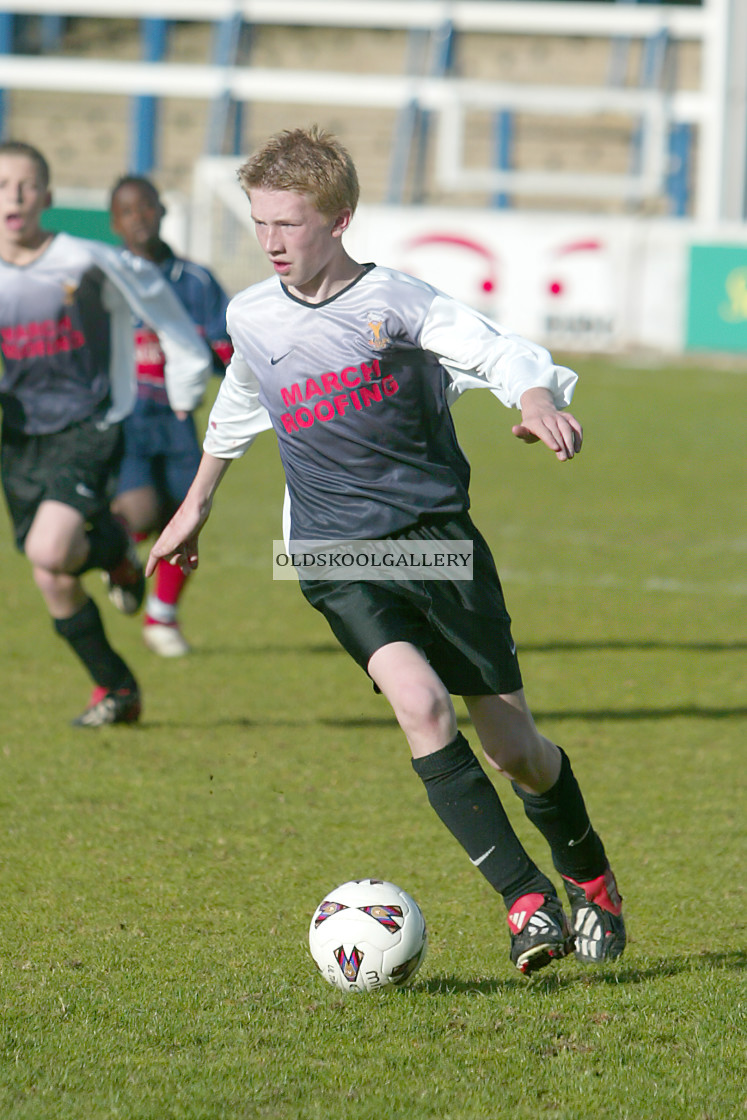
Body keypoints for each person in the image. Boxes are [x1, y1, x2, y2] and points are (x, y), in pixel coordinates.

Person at [147, 126, 625, 973]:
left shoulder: (398, 303)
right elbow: (242, 396)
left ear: (339, 219)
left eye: (287, 225)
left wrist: (538, 397)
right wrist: (195, 505)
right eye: (259, 224)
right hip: (329, 551)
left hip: (438, 544)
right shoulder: (250, 312)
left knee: (515, 749)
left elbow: (500, 351)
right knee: (420, 704)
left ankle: (585, 870)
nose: (271, 243)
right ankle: (525, 903)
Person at [0, 141, 212, 727]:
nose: (12, 196)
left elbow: (158, 299)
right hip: (20, 438)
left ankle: (118, 550)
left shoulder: (84, 259)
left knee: (50, 549)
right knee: (51, 574)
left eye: (24, 184)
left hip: (89, 424)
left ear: (46, 197)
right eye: (1, 185)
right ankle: (116, 689)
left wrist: (187, 372)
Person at [109, 176, 233, 657]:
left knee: (185, 517)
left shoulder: (197, 282)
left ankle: (161, 617)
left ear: (162, 212)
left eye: (147, 207)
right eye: (127, 211)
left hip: (179, 419)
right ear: (115, 222)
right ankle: (117, 554)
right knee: (140, 510)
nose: (139, 217)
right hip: (126, 419)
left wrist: (212, 349)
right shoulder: (106, 279)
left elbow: (228, 354)